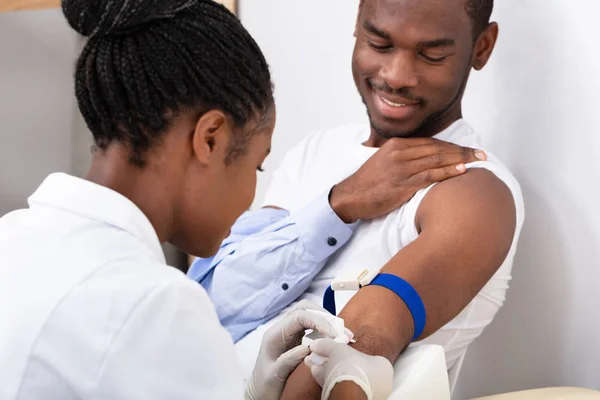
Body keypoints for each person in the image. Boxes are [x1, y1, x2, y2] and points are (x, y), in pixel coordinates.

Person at [0, 1, 396, 399]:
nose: (251, 196)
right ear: (210, 139)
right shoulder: (158, 306)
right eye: (257, 167)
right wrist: (356, 381)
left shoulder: (12, 238)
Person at [188, 0, 525, 398]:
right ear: (357, 26)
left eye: (431, 54)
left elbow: (348, 354)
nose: (397, 76)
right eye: (379, 44)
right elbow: (210, 305)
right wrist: (340, 203)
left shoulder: (474, 192)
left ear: (481, 48)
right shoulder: (315, 151)